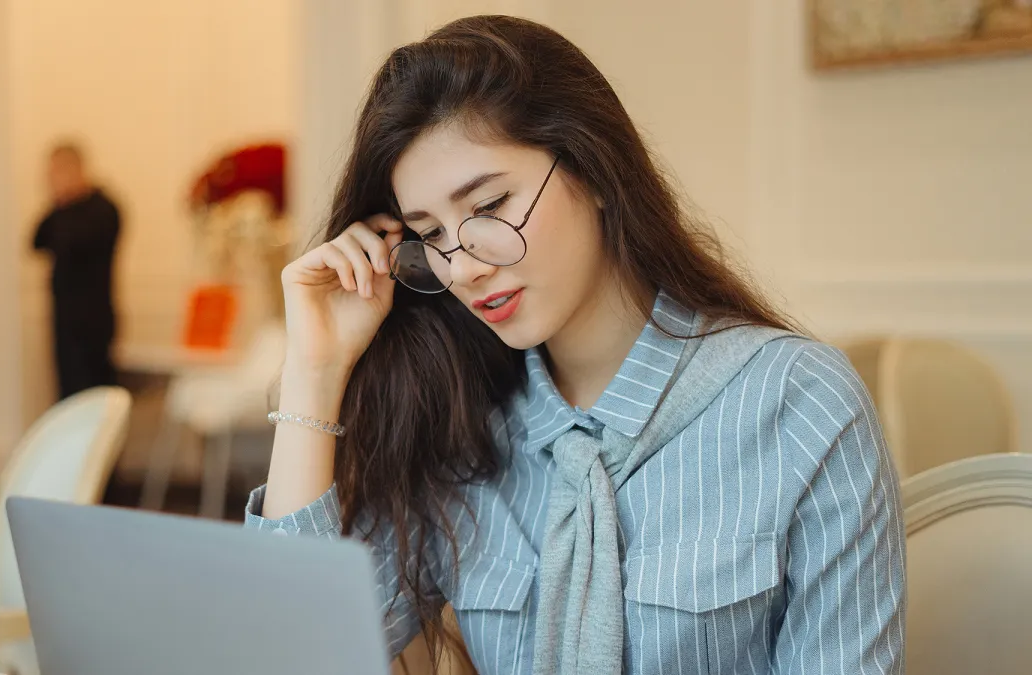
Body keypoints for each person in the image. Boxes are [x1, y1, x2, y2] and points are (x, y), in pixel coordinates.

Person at [250, 15, 904, 675]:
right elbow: (296, 648)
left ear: (592, 166)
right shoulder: (463, 424)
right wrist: (316, 367)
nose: (464, 266)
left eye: (491, 205)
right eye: (432, 235)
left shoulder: (800, 403)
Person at [32, 142, 121, 400]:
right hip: (64, 318)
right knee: (67, 393)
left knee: (93, 394)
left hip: (93, 318)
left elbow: (72, 243)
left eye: (56, 172)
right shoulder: (61, 212)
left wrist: (68, 203)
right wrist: (57, 204)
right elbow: (37, 241)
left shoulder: (103, 209)